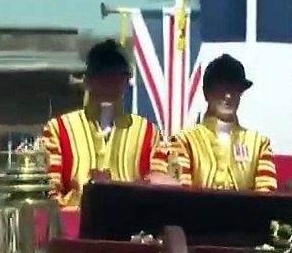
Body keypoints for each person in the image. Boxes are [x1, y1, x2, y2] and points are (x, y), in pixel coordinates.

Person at [39, 39, 171, 208]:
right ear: (87, 81)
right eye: (101, 77)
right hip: (75, 226)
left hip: (131, 227)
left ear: (126, 82)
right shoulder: (58, 129)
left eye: (116, 77)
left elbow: (159, 188)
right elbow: (50, 191)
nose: (109, 85)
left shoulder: (148, 132)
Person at [163, 54, 279, 192]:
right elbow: (180, 196)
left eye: (234, 89)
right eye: (221, 89)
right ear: (207, 93)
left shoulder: (259, 145)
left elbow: (266, 197)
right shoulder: (183, 142)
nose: (228, 96)